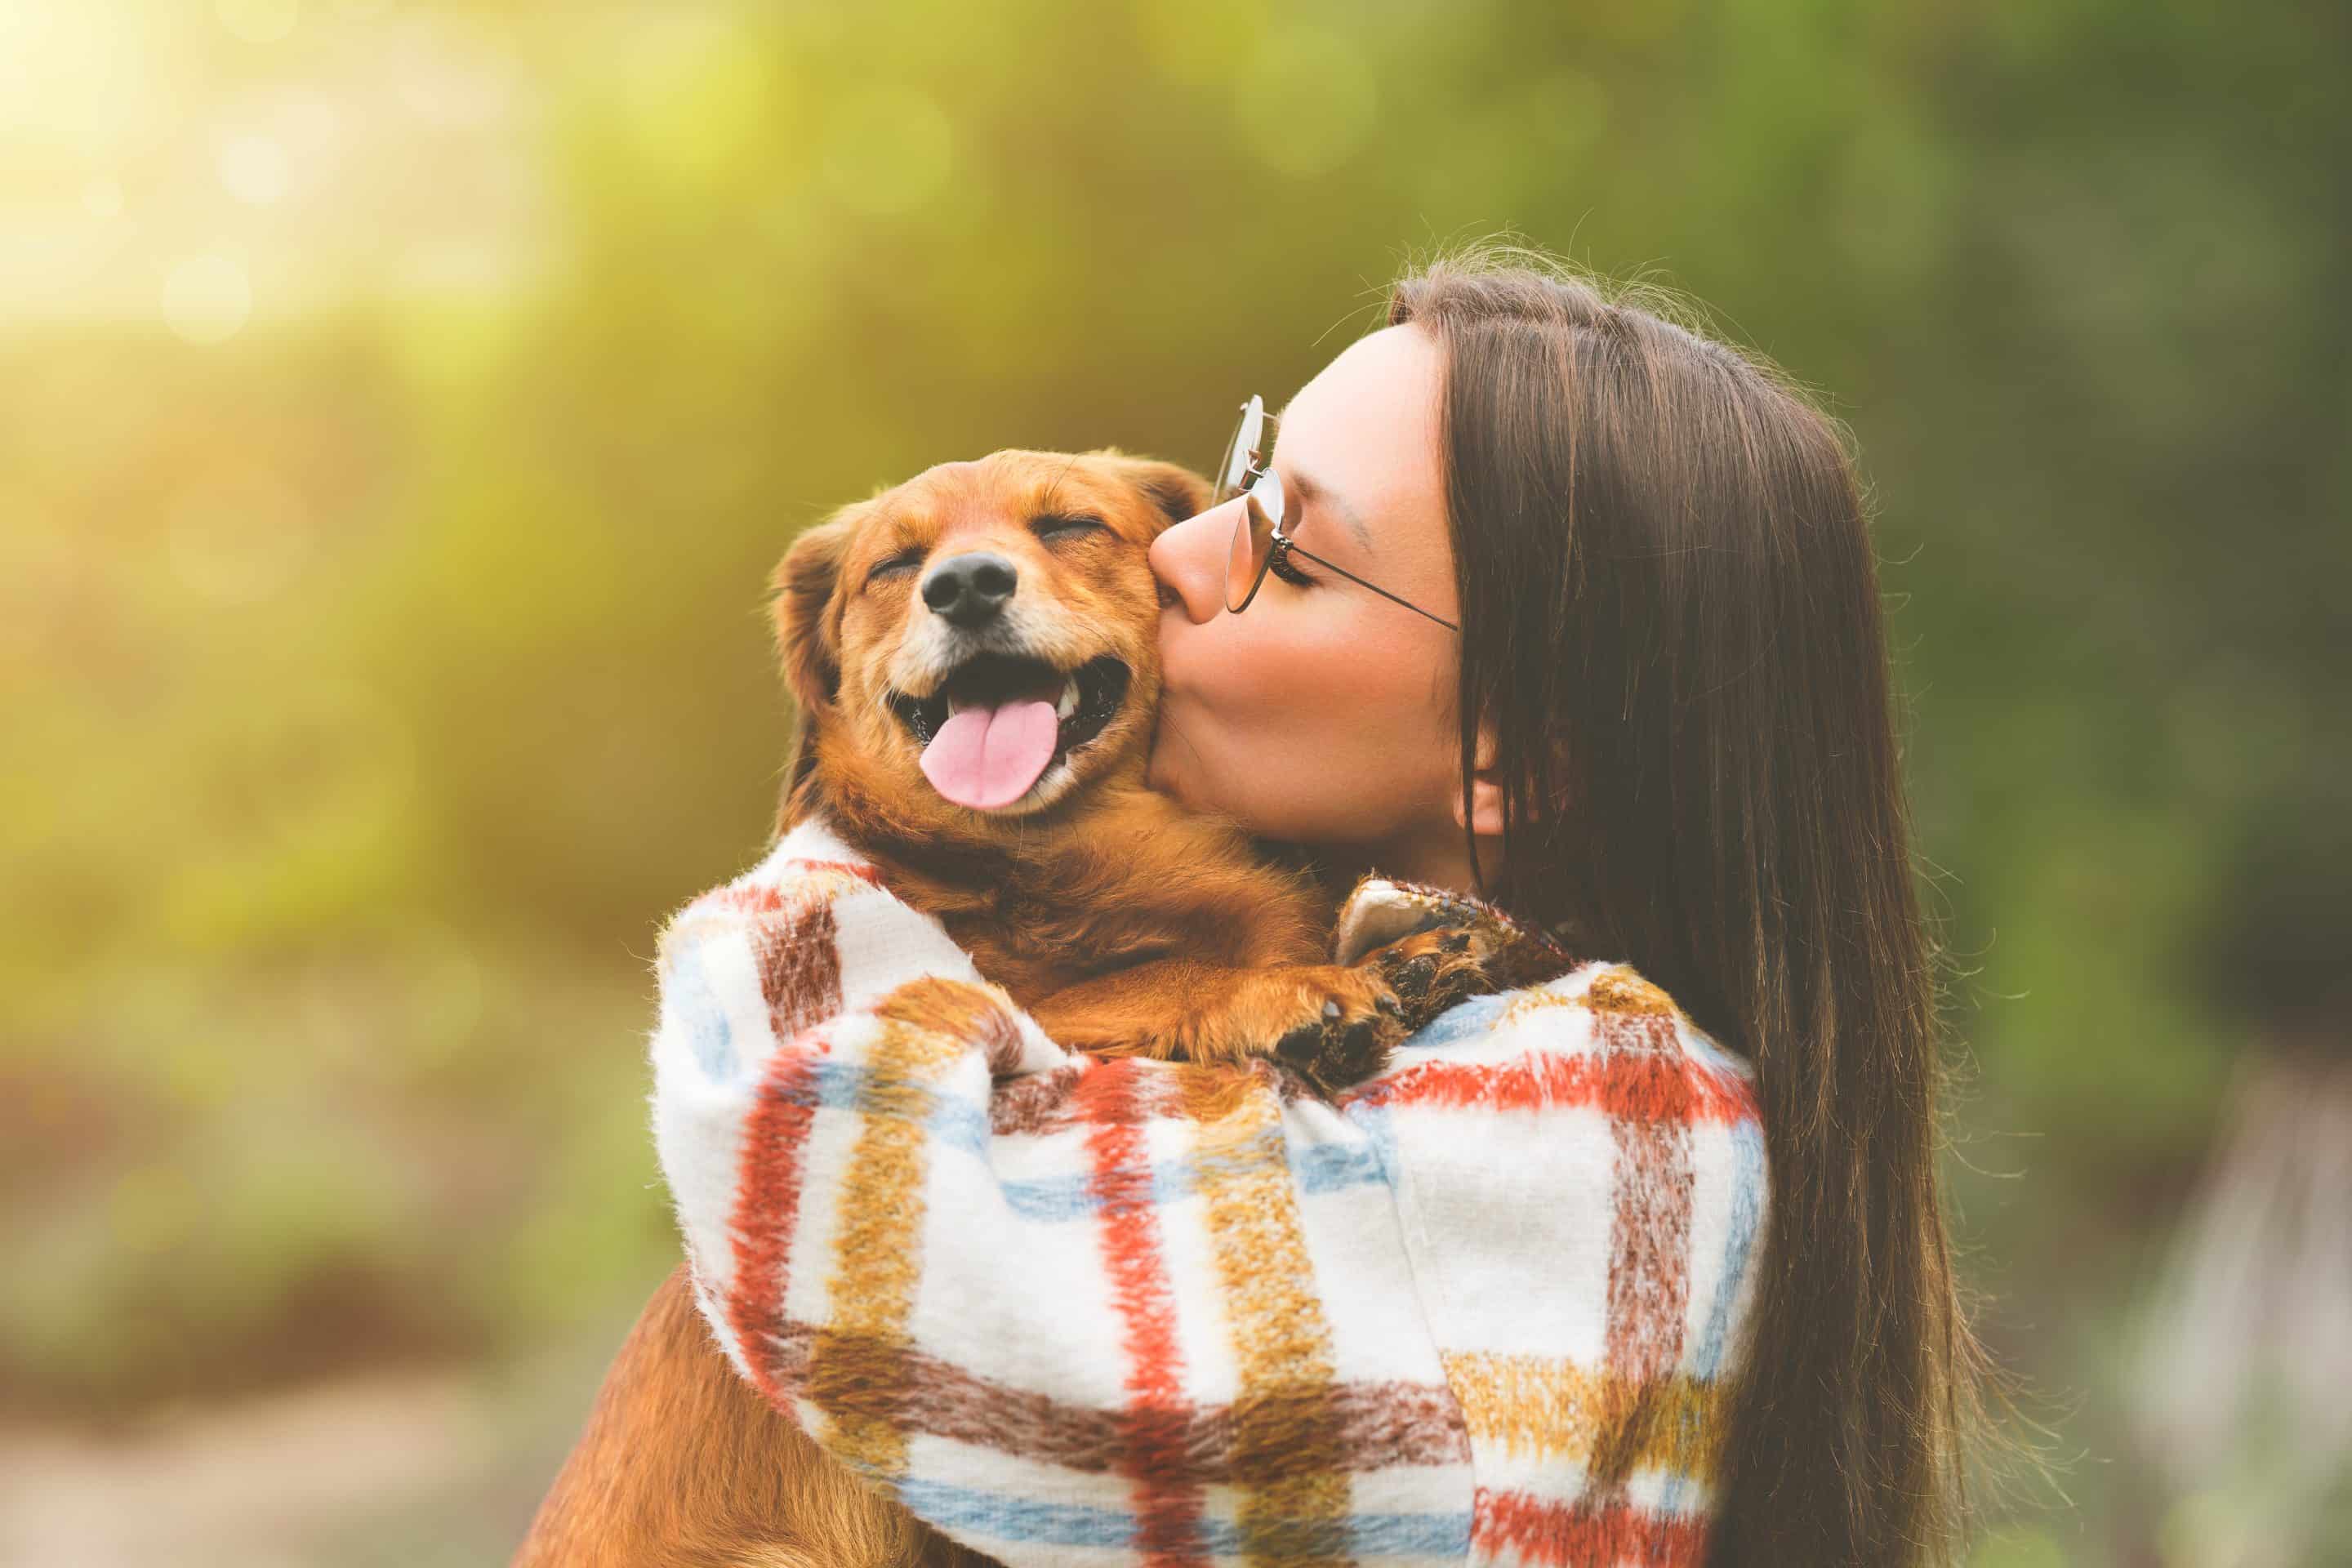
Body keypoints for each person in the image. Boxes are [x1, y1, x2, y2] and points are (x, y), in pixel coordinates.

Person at [539, 241, 1994, 1568]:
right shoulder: (1378, 1014)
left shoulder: (1605, 1109)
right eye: (1248, 472)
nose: (1176, 553)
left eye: (1288, 548)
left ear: (1512, 754)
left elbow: (845, 1164)